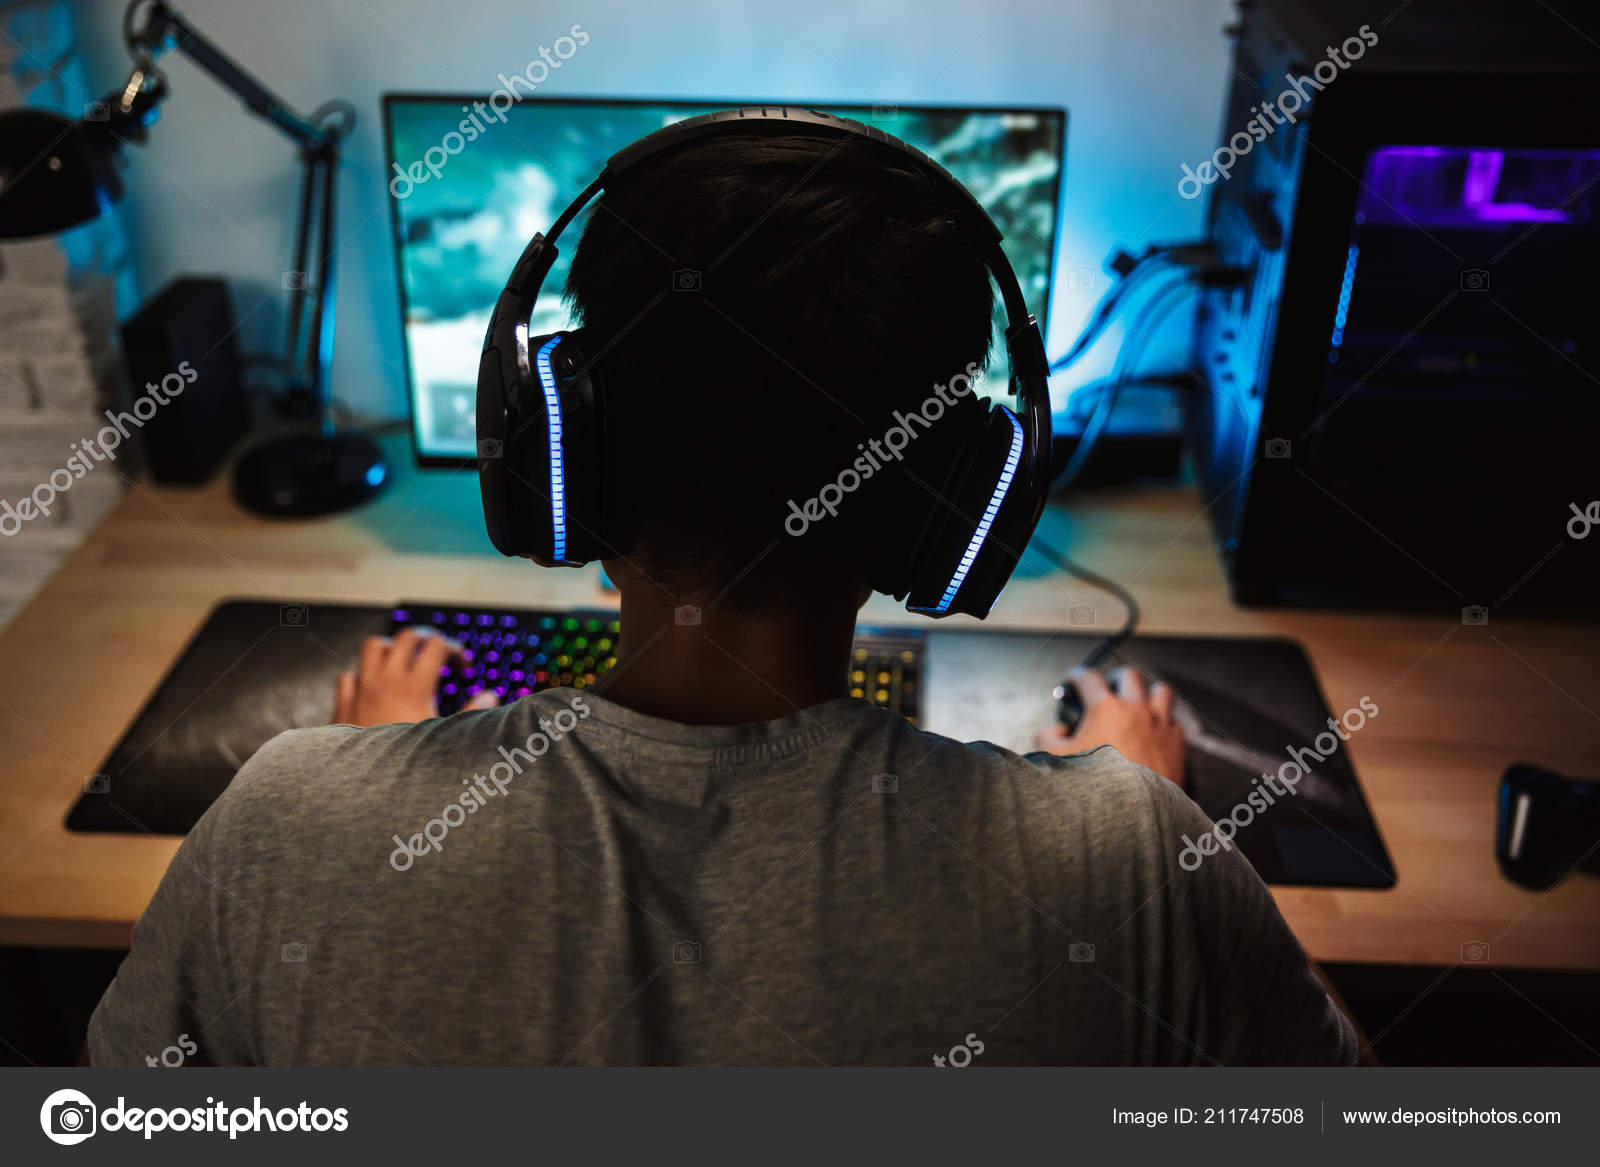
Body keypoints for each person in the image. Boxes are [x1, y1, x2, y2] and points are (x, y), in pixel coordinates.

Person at [89, 129, 1359, 1066]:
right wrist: (1179, 832)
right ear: (953, 498)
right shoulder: (1125, 859)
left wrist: (357, 797)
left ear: (556, 456)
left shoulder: (285, 826)